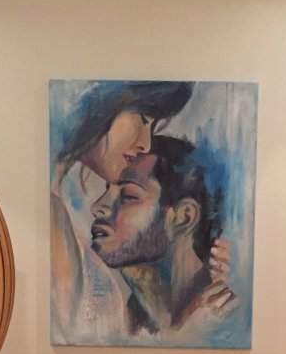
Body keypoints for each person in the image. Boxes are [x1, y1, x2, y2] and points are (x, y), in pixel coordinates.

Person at [50, 82, 193, 339]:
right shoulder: (53, 216)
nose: (146, 144)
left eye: (127, 196)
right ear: (101, 105)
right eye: (143, 120)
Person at [88, 135, 235, 337]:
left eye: (128, 196)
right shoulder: (117, 323)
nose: (97, 206)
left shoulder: (228, 321)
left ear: (183, 218)